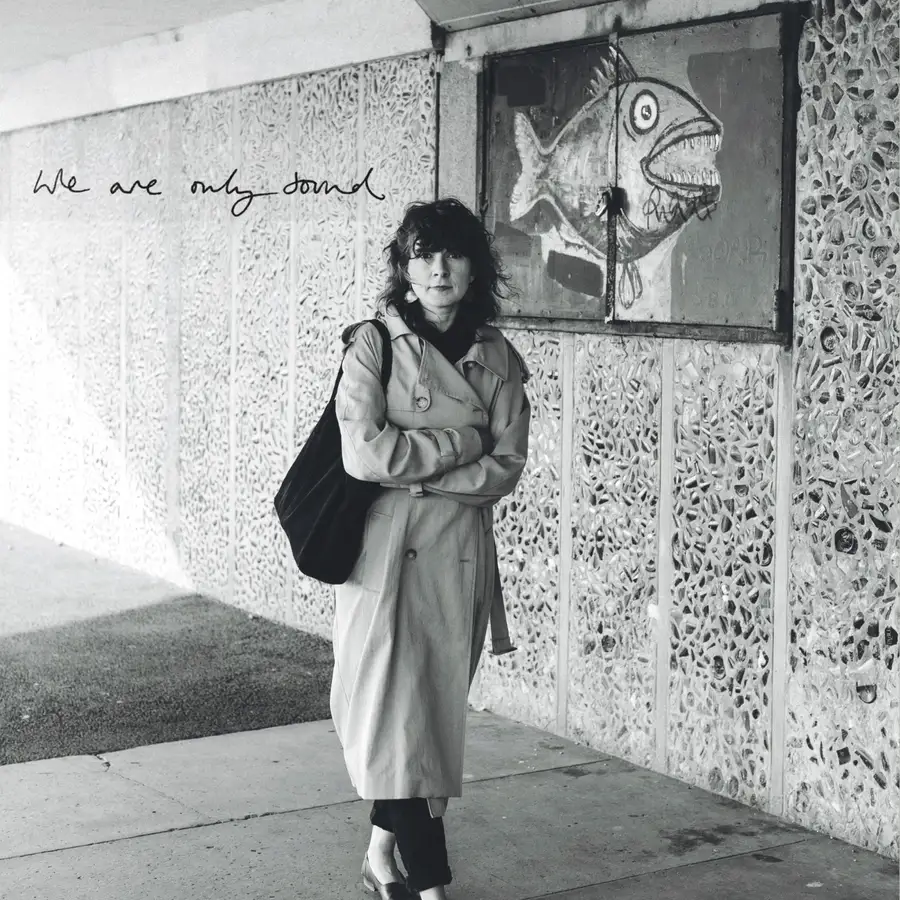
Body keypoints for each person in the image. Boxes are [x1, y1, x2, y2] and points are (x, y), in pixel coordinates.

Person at [331, 197, 531, 899]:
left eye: (454, 253)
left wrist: (418, 469)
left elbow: (505, 468)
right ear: (406, 269)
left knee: (425, 727)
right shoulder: (373, 345)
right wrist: (459, 444)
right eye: (424, 254)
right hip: (386, 558)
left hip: (459, 561)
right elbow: (364, 453)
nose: (439, 268)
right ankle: (431, 885)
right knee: (397, 720)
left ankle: (379, 856)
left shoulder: (499, 357)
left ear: (475, 268)